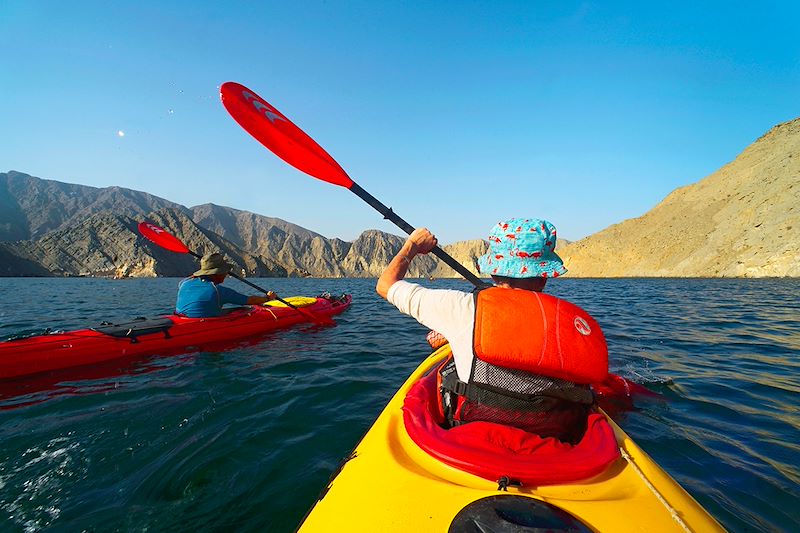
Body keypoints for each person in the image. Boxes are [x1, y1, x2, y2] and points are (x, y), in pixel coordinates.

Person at [376, 218, 608, 444]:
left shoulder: (460, 308)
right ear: (544, 276)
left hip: (473, 433)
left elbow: (385, 285)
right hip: (557, 440)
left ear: (493, 272)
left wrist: (413, 246)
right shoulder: (571, 322)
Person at [175, 253, 277, 318]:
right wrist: (267, 298)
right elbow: (250, 301)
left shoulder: (184, 283)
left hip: (180, 318)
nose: (226, 274)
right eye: (224, 272)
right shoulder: (218, 291)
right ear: (217, 273)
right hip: (201, 324)